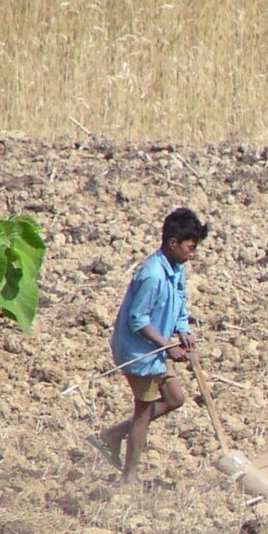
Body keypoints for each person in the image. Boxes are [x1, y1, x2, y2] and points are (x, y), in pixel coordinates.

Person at [93, 207, 209, 485]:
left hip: (155, 351)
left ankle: (114, 434)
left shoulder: (177, 268)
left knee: (174, 399)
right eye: (190, 248)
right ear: (172, 243)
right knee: (142, 413)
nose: (193, 254)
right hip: (138, 353)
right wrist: (167, 346)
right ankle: (129, 477)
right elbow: (137, 319)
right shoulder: (153, 275)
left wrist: (183, 329)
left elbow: (180, 303)